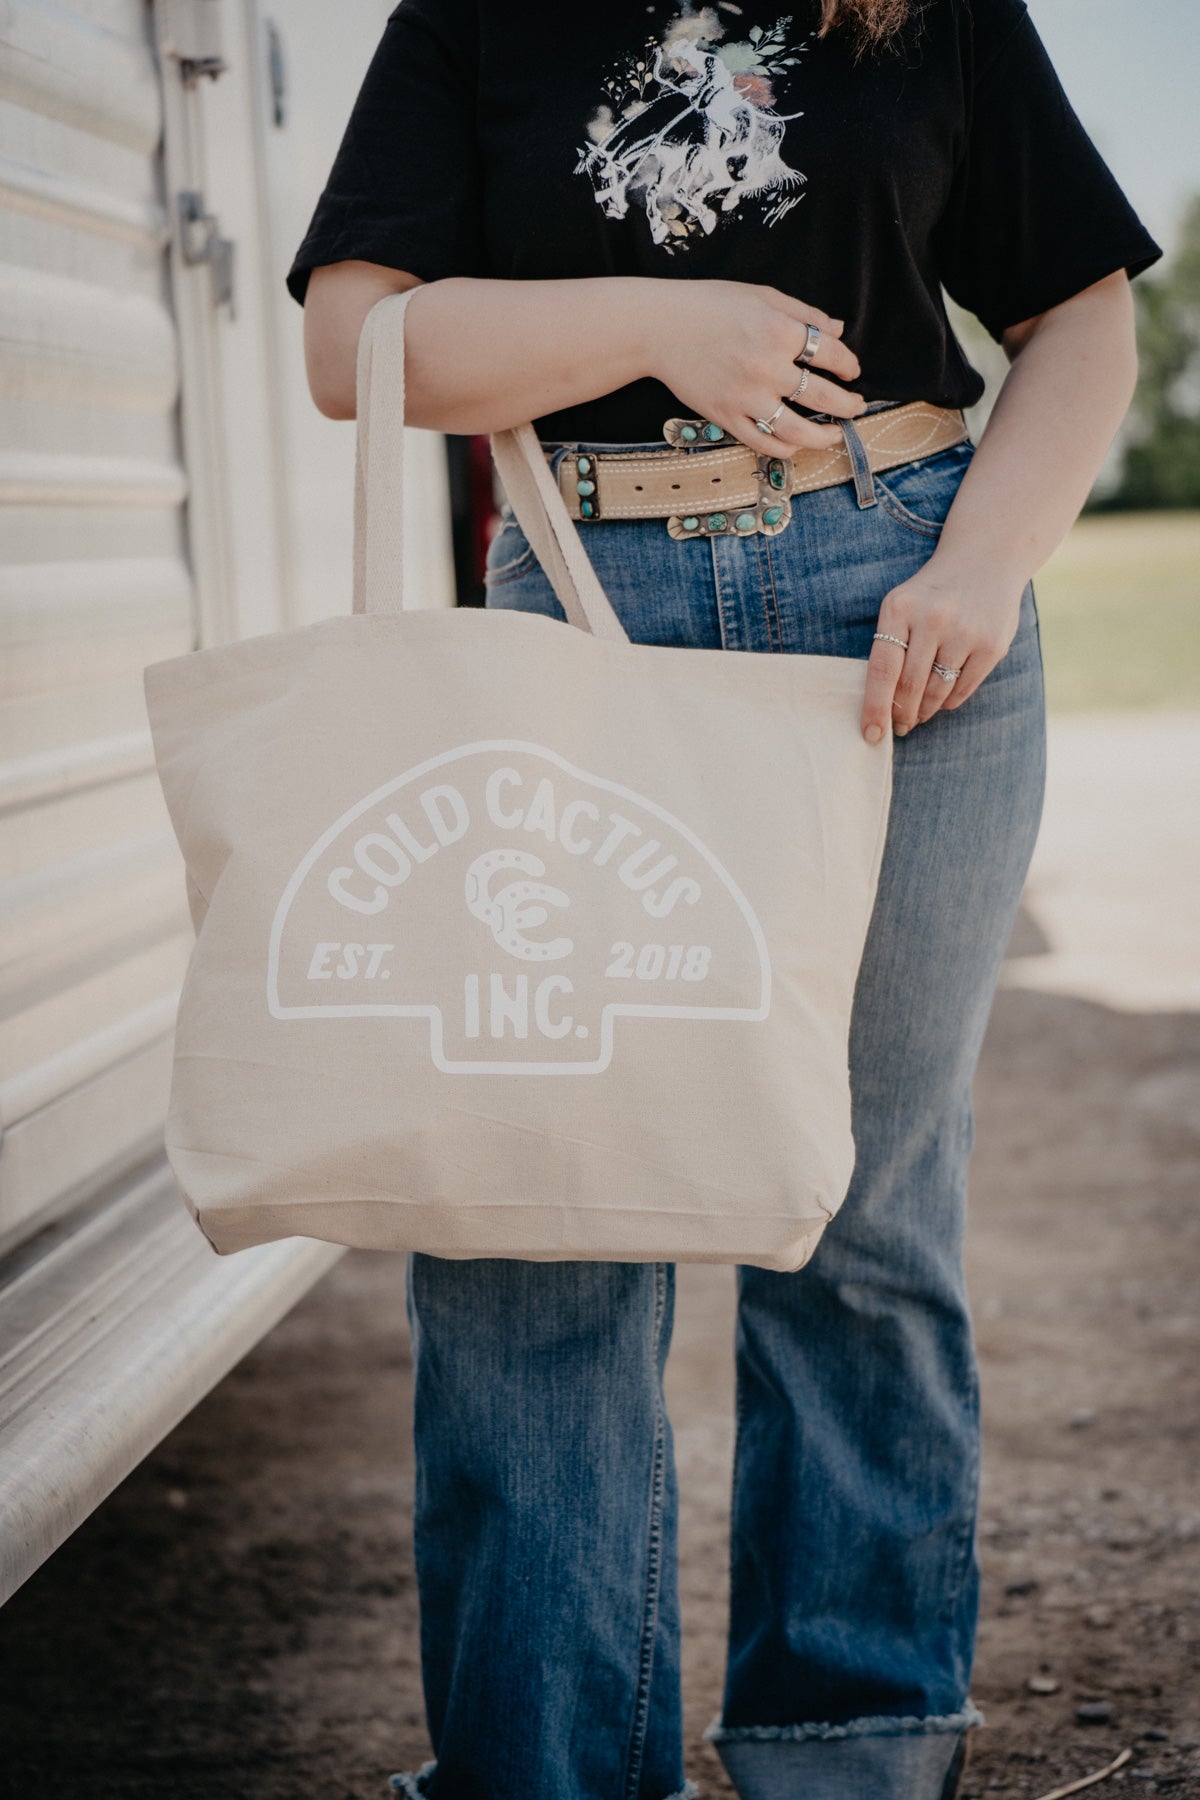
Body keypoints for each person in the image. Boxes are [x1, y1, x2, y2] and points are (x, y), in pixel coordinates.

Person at [285, 3, 1161, 1796]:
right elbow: (352, 339)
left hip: (902, 608)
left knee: (865, 1211)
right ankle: (548, 1769)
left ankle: (849, 1752)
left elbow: (1081, 312)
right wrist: (662, 323)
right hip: (578, 611)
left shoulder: (931, 10)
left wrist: (987, 567)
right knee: (534, 1235)